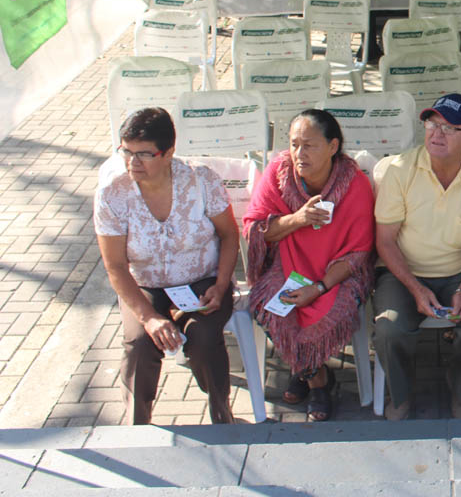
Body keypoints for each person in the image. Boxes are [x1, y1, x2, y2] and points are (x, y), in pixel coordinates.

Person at [94, 108, 238, 425]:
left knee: (203, 340)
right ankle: (138, 425)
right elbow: (115, 265)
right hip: (144, 283)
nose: (133, 163)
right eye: (126, 152)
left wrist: (222, 283)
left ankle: (222, 414)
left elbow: (229, 235)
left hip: (201, 278)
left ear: (169, 152)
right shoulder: (112, 192)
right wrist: (148, 317)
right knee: (140, 344)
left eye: (144, 154)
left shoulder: (201, 180)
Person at [372, 94, 461, 421]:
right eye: (432, 124)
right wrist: (416, 288)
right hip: (402, 273)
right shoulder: (399, 170)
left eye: (449, 128)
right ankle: (400, 394)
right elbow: (385, 242)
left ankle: (460, 386)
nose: (436, 134)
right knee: (389, 330)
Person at [243, 110, 375, 421]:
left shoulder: (354, 184)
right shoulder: (278, 172)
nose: (299, 154)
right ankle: (318, 379)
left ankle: (301, 368)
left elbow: (359, 252)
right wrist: (298, 219)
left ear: (333, 146)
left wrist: (319, 288)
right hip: (288, 265)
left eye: (309, 145)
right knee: (266, 306)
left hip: (337, 273)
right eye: (293, 145)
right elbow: (255, 229)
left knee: (331, 311)